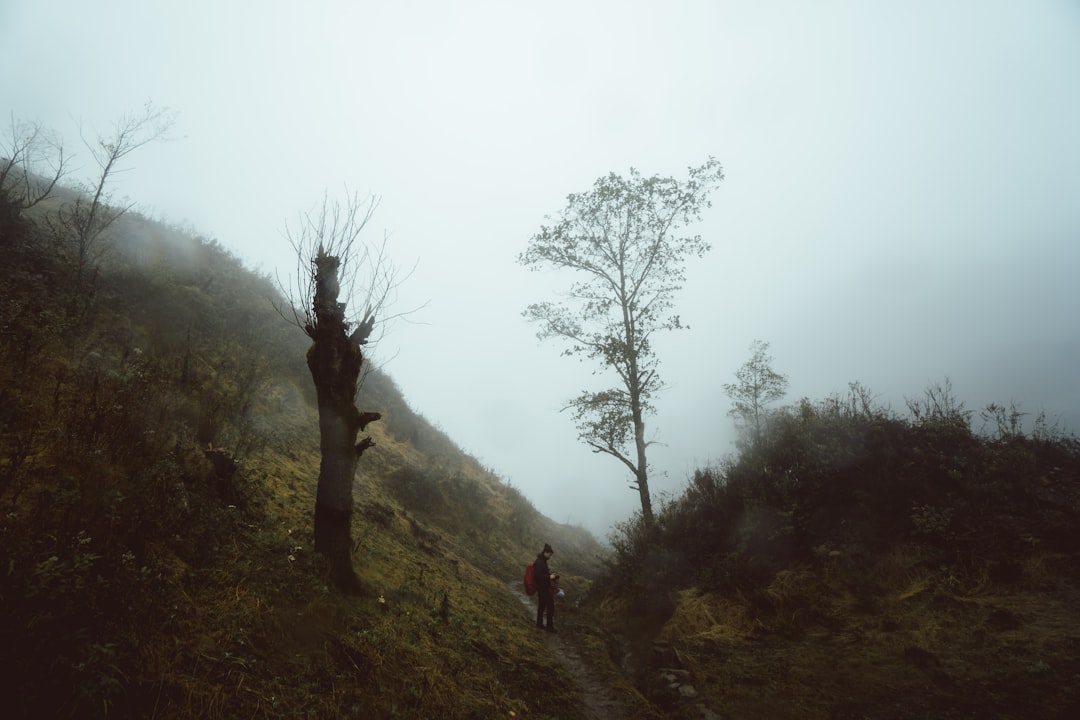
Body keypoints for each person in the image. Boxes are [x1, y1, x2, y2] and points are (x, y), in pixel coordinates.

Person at [534, 543, 557, 632]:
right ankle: (549, 627)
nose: (550, 557)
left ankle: (539, 624)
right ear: (546, 552)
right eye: (550, 555)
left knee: (542, 605)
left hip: (543, 587)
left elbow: (542, 574)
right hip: (542, 588)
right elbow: (538, 575)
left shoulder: (542, 561)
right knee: (550, 606)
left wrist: (551, 575)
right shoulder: (539, 562)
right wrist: (549, 577)